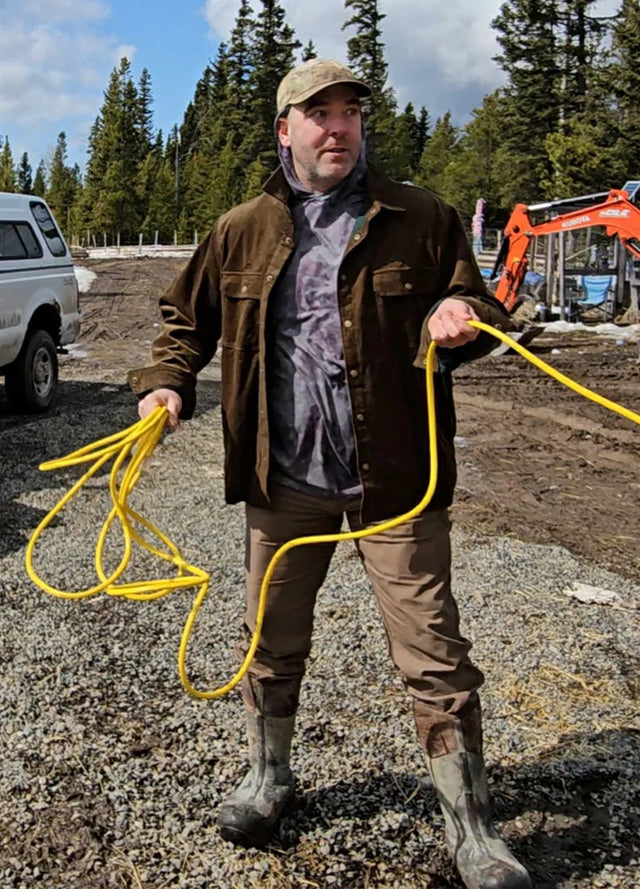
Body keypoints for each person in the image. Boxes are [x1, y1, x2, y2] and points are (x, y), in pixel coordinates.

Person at [129, 58, 532, 889]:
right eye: (318, 115)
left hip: (397, 480)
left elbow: (483, 309)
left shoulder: (422, 218)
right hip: (284, 482)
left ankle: (474, 828)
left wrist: (466, 315)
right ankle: (269, 776)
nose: (337, 127)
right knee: (270, 644)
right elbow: (183, 320)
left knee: (434, 653)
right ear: (286, 130)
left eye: (349, 112)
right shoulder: (242, 228)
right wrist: (167, 383)